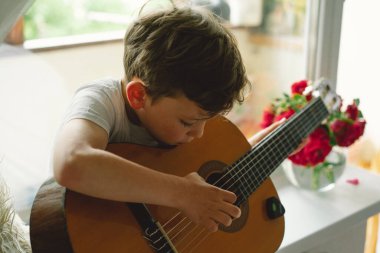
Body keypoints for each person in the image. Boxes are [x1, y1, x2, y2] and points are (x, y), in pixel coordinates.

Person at [52, 6, 285, 233]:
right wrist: (182, 194)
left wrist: (257, 152)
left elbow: (192, 173)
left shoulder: (179, 116)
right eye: (187, 123)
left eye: (205, 121)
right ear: (138, 96)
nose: (199, 134)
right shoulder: (101, 100)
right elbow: (71, 163)